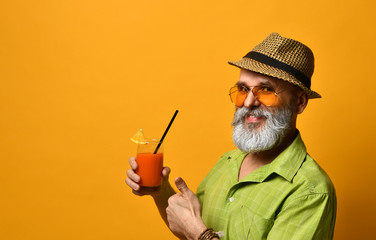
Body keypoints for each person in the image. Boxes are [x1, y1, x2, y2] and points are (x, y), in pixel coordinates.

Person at [125, 33, 337, 240]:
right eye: (243, 89)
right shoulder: (227, 162)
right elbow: (187, 227)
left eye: (265, 89)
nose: (248, 102)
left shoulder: (310, 192)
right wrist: (159, 192)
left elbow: (195, 231)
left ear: (299, 102)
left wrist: (201, 235)